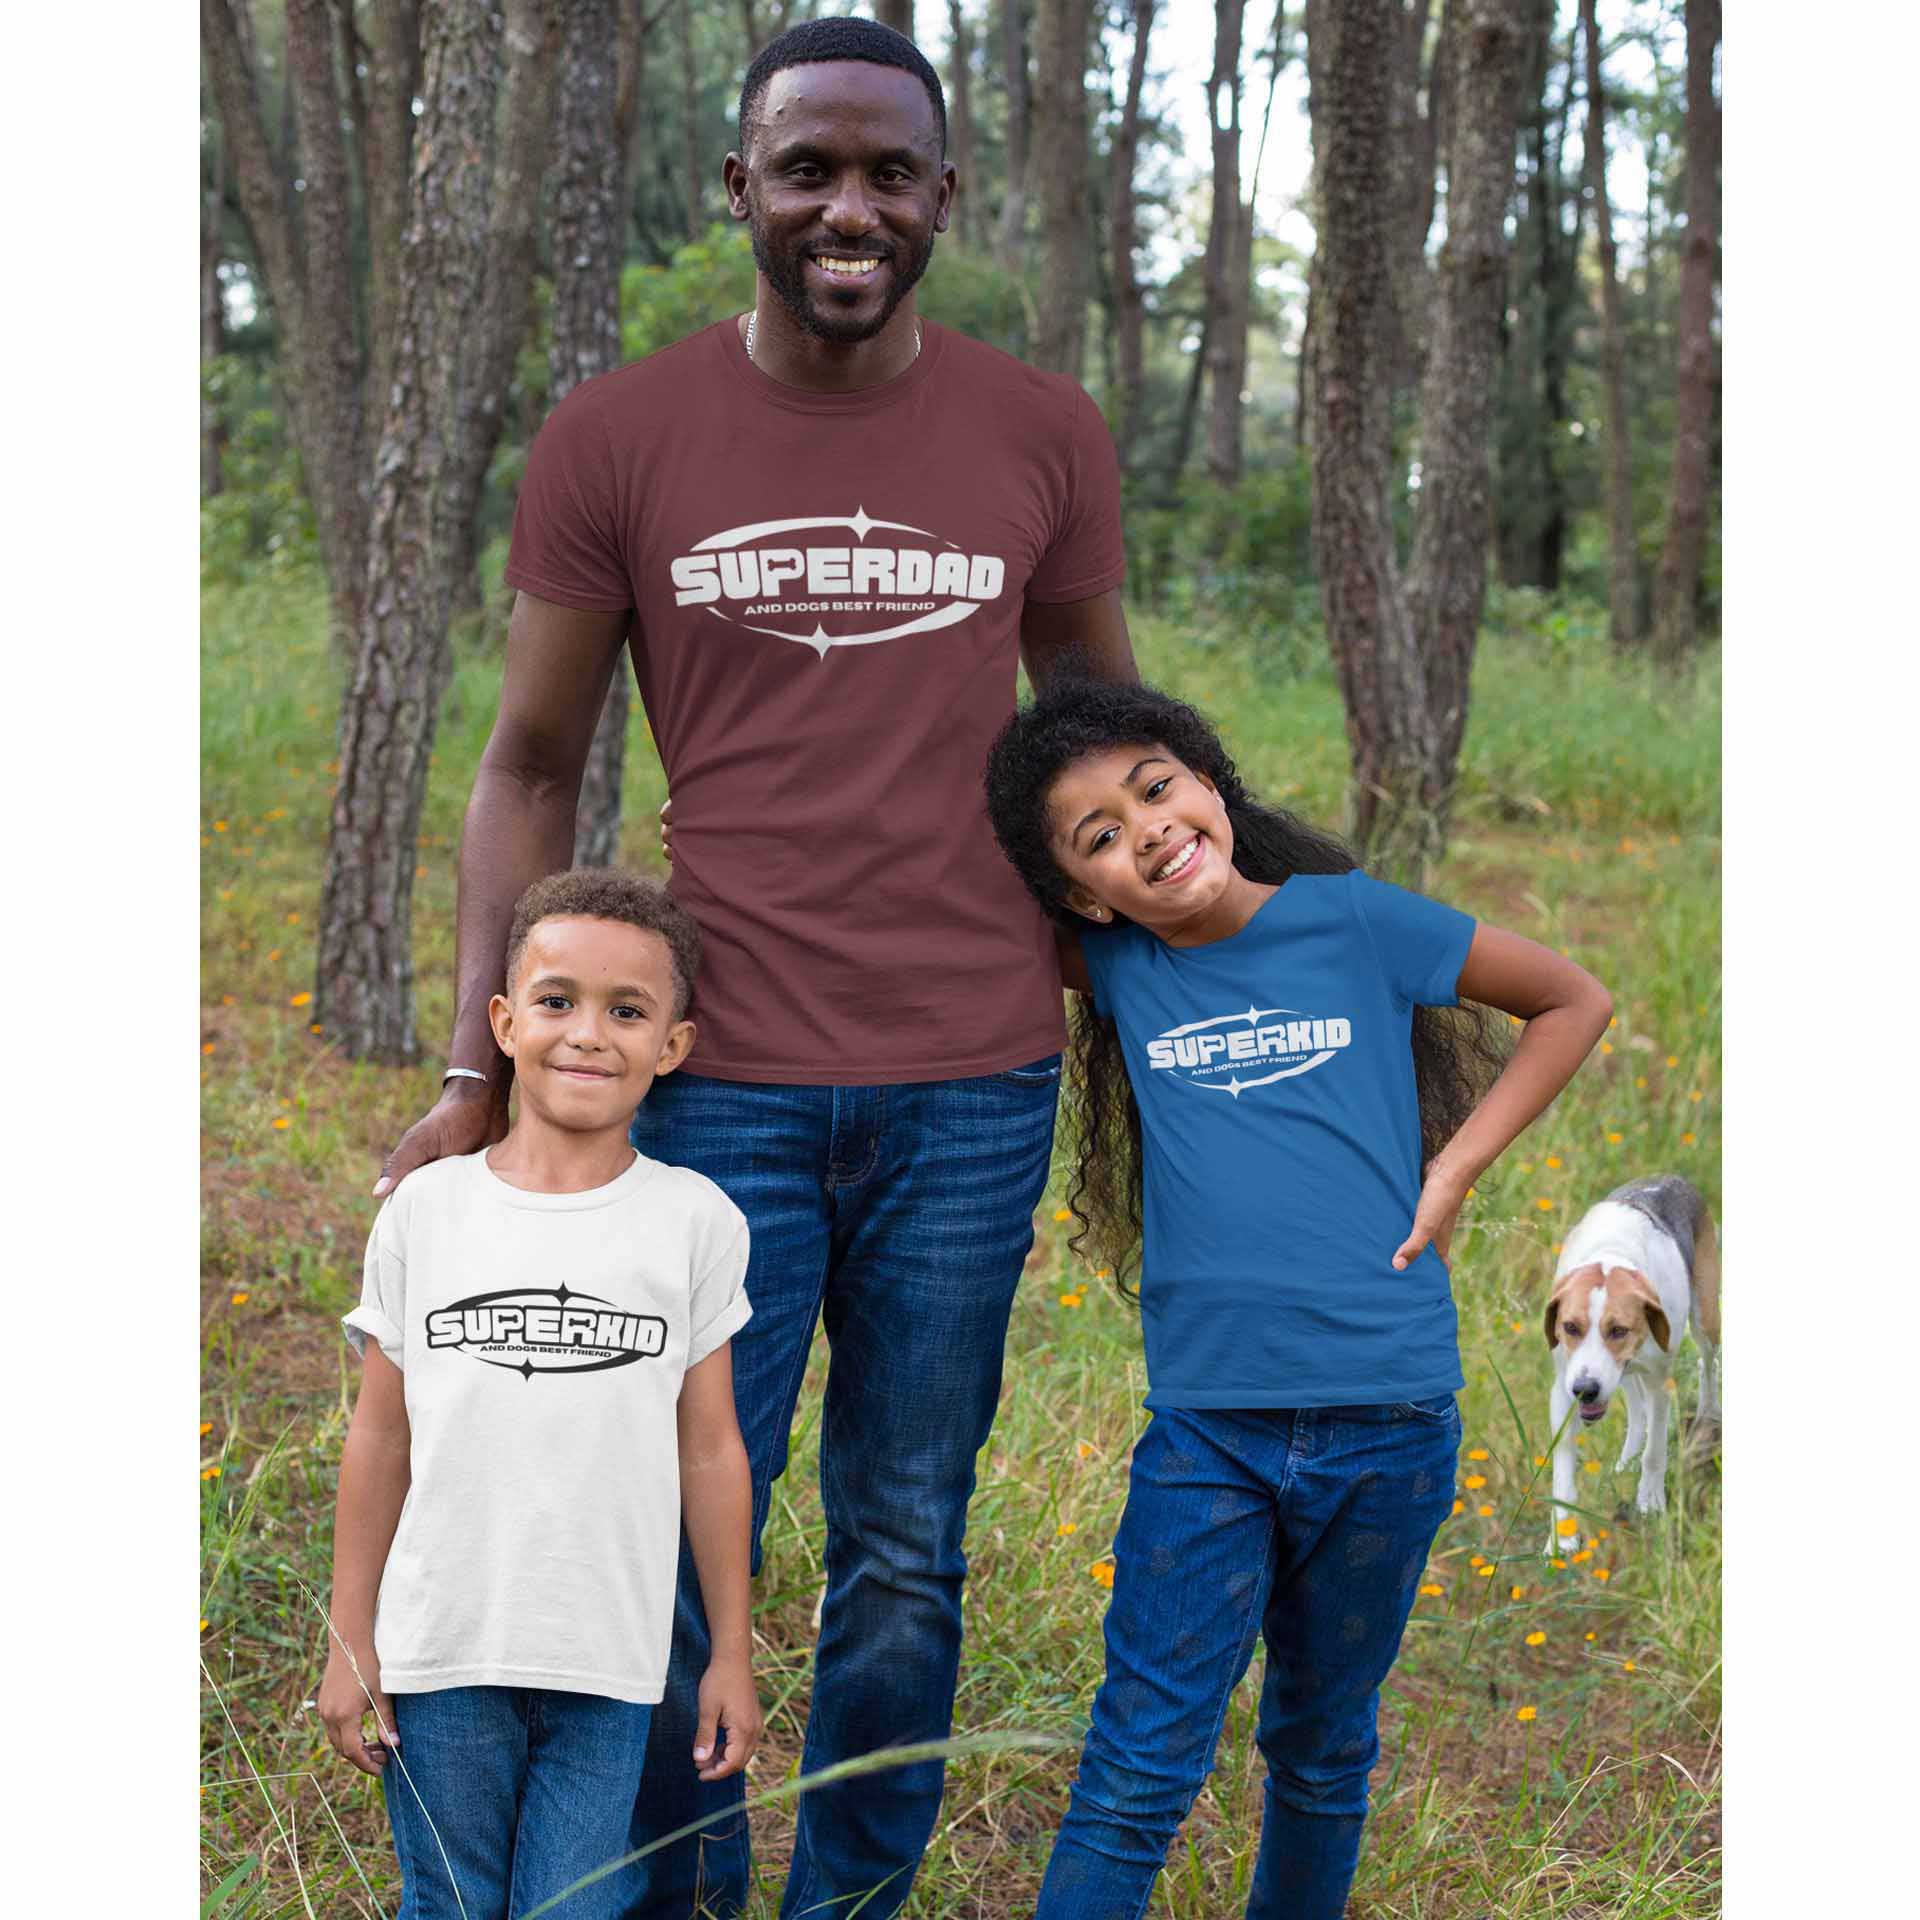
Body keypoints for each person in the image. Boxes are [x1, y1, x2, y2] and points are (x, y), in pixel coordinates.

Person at [371, 18, 1136, 1917]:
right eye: (808, 169)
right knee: (663, 1525)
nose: (848, 208)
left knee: (904, 1539)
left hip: (972, 1081)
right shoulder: (620, 437)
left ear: (945, 195)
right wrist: (483, 1075)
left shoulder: (1043, 434)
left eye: (890, 173)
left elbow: (1111, 741)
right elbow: (531, 764)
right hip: (712, 1092)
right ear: (742, 189)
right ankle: (685, 1893)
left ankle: (851, 1894)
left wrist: (1224, 997)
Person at [982, 678, 1613, 1918]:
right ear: (1079, 893)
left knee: (1323, 1753)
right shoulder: (1118, 966)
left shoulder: (1357, 924)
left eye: (1156, 787)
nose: (1146, 829)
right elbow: (937, 902)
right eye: (1098, 834)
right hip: (1211, 1434)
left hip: (1392, 1419)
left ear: (1211, 782)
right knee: (1138, 1765)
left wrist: (1456, 1163)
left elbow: (1571, 999)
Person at [320, 870, 760, 1920]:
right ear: (505, 1022)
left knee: (575, 1908)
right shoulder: (428, 1212)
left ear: (675, 1046)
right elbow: (380, 1438)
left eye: (627, 1011)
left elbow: (711, 1452)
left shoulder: (696, 1221)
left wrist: (730, 1654)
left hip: (609, 1658)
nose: (587, 1034)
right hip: (441, 1652)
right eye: (558, 1001)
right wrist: (351, 1640)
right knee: (455, 1905)